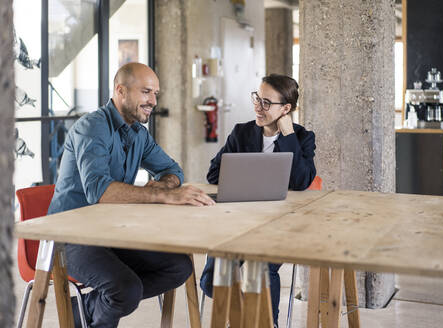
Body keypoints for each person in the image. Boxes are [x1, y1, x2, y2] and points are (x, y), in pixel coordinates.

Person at [48, 62, 215, 328]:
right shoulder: (92, 127)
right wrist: (165, 196)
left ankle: (86, 308)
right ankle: (97, 308)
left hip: (111, 231)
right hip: (68, 237)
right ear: (121, 91)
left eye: (156, 94)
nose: (153, 101)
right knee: (124, 289)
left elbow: (172, 170)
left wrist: (163, 185)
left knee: (178, 267)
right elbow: (98, 190)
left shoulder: (138, 133)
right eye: (146, 92)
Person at [200, 74, 316, 326]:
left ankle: (266, 323)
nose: (258, 107)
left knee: (263, 266)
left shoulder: (303, 138)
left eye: (266, 102)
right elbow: (213, 173)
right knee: (210, 281)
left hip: (279, 224)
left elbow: (301, 181)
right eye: (257, 98)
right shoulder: (241, 132)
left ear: (285, 109)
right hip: (238, 221)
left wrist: (287, 136)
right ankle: (250, 318)